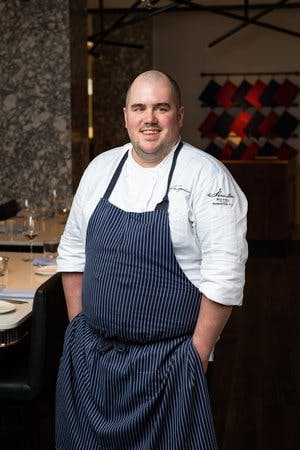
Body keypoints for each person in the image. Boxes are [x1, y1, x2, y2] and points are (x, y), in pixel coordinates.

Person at [55, 70, 248, 450]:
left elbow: (224, 275)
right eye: (139, 108)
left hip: (168, 365)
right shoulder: (100, 170)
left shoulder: (207, 177)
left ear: (178, 115)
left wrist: (197, 355)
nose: (149, 119)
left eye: (160, 108)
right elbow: (73, 251)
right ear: (125, 114)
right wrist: (78, 327)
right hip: (91, 360)